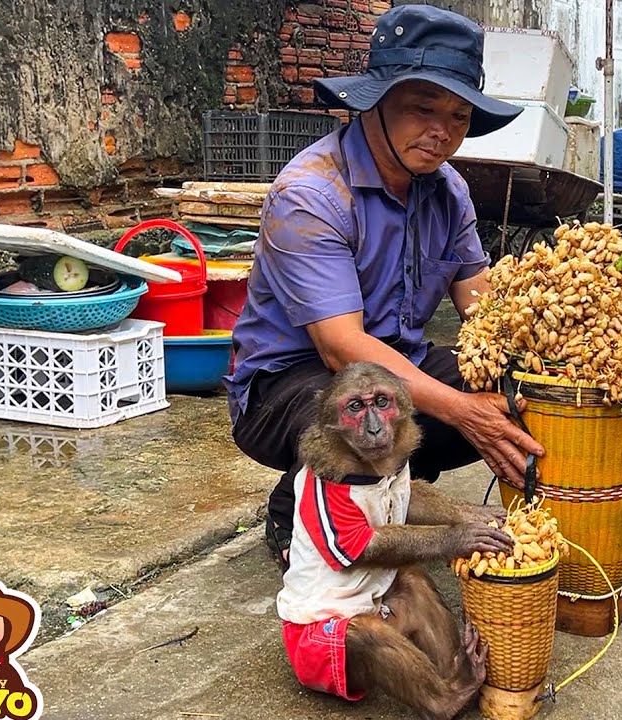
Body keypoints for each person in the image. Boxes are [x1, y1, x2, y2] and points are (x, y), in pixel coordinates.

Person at [225, 4, 545, 573]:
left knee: (526, 389)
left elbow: (484, 308)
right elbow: (341, 349)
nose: (442, 132)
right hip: (288, 388)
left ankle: (389, 493)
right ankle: (299, 504)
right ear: (374, 101)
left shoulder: (449, 191)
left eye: (459, 116)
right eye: (423, 108)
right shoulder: (312, 193)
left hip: (394, 370)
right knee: (370, 408)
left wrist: (540, 347)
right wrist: (463, 411)